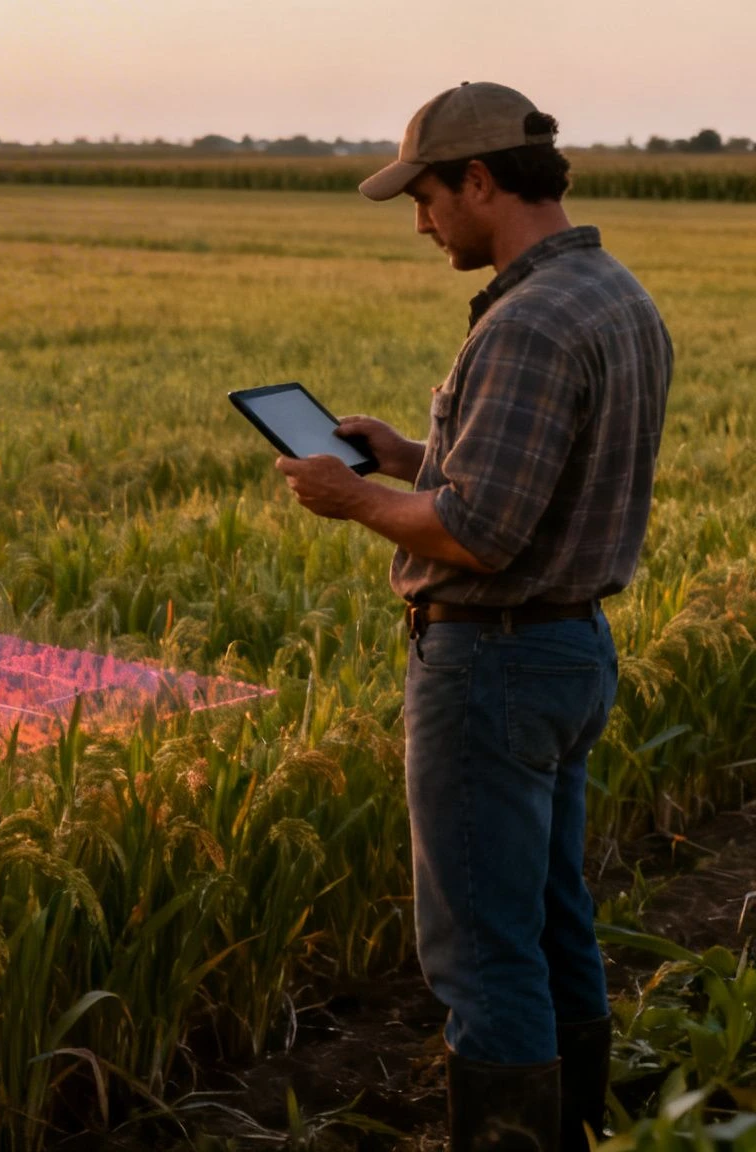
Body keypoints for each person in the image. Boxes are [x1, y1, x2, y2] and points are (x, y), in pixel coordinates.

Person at [273, 83, 672, 1151]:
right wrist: (410, 458)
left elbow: (479, 534)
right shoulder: (611, 294)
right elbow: (537, 481)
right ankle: (582, 1128)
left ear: (480, 181)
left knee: (480, 952)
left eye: (425, 196)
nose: (419, 221)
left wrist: (352, 496)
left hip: (490, 665)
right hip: (570, 649)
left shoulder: (526, 322)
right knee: (549, 916)